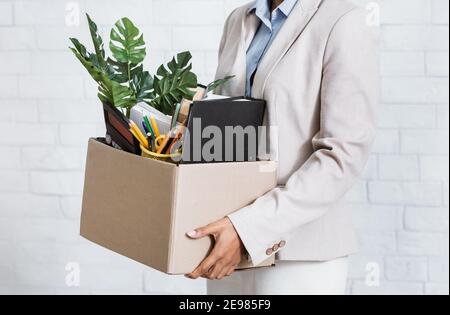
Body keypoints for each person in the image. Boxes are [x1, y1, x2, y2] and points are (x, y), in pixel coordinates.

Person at [186, 0, 379, 295]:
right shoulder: (238, 20)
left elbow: (342, 155)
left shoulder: (343, 20)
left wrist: (248, 229)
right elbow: (227, 127)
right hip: (227, 243)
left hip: (300, 256)